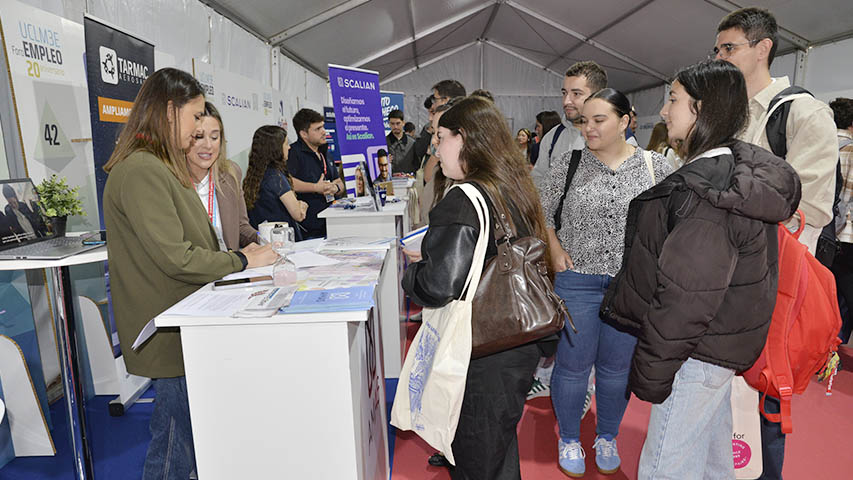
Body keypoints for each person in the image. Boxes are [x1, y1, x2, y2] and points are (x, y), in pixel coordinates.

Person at [601, 59, 801, 480]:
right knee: (711, 463)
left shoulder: (710, 190)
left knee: (664, 467)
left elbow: (688, 294)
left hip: (695, 350)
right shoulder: (727, 175)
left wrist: (654, 369)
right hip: (714, 348)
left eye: (674, 99)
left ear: (702, 109)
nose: (664, 110)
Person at [102, 67, 278, 480]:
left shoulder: (159, 167)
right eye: (195, 115)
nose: (200, 126)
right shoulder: (143, 170)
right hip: (168, 327)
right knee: (173, 446)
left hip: (185, 320)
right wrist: (242, 261)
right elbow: (177, 258)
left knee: (186, 437)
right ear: (169, 111)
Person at [714, 8, 838, 478]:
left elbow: (810, 205)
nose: (722, 57)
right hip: (721, 278)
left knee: (763, 395)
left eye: (730, 48)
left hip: (774, 283)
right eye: (718, 49)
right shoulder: (728, 112)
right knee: (718, 399)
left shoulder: (803, 112)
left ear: (763, 47)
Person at [402, 95, 553, 480]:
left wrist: (412, 270)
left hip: (479, 349)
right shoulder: (510, 187)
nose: (436, 146)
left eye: (441, 136)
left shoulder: (464, 198)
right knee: (497, 450)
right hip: (514, 338)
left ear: (464, 137)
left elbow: (439, 285)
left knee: (475, 457)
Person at [538, 88, 672, 477]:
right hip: (576, 280)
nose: (589, 128)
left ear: (625, 120)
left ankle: (607, 435)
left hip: (630, 285)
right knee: (573, 366)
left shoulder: (654, 167)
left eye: (599, 120)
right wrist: (555, 250)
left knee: (617, 370)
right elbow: (544, 214)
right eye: (584, 121)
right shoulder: (569, 163)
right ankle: (568, 438)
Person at [185, 101, 258, 251]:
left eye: (214, 137)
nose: (208, 145)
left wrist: (263, 237)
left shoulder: (231, 173)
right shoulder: (170, 179)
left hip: (231, 270)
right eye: (199, 136)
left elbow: (241, 227)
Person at [530, 61, 606, 186]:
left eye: (576, 94)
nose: (566, 101)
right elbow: (538, 178)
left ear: (598, 96)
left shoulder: (618, 141)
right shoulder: (552, 137)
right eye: (564, 93)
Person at [243, 125, 309, 241]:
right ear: (276, 148)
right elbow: (298, 214)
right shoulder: (276, 177)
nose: (289, 148)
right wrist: (303, 205)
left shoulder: (253, 177)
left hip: (264, 241)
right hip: (282, 243)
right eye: (286, 144)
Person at [287, 108, 344, 239]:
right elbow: (288, 182)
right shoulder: (293, 153)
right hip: (309, 229)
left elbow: (339, 182)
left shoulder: (325, 152)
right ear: (304, 134)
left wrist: (335, 188)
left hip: (332, 223)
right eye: (318, 129)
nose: (324, 132)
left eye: (323, 127)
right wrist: (316, 188)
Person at [830, 97, 853, 343]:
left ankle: (831, 345)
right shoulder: (851, 150)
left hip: (825, 231)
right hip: (847, 232)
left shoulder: (822, 144)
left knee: (832, 292)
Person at [387, 109, 415, 173]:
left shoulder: (412, 143)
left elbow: (416, 163)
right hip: (390, 180)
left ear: (403, 123)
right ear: (389, 124)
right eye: (392, 124)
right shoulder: (384, 143)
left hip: (409, 180)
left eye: (398, 123)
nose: (395, 126)